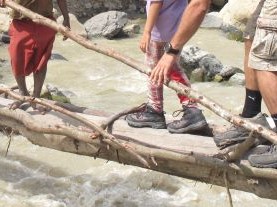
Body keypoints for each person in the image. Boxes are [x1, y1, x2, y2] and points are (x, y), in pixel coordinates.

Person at [126, 0, 209, 133]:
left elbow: (156, 3)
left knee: (153, 70)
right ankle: (191, 109)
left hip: (158, 33)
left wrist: (146, 32)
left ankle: (155, 109)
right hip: (176, 34)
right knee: (174, 71)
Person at [0, 0, 70, 113]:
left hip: (45, 21)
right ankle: (23, 93)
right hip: (21, 22)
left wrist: (66, 18)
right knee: (16, 58)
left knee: (41, 62)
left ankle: (36, 97)